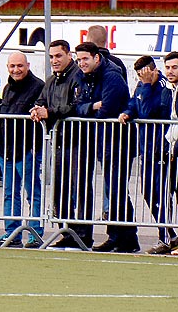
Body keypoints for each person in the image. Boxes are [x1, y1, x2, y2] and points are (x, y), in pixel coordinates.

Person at [68, 41, 138, 252]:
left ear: (96, 57)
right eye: (79, 60)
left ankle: (120, 236)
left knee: (116, 190)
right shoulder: (82, 76)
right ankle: (124, 238)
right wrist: (91, 106)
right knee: (113, 189)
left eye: (85, 59)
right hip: (102, 140)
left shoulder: (112, 76)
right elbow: (77, 106)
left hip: (118, 141)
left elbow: (106, 110)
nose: (81, 64)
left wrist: (91, 108)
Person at [0, 51, 45, 247]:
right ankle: (11, 234)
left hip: (27, 150)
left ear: (27, 65)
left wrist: (35, 149)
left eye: (19, 66)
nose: (16, 70)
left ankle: (35, 234)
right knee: (10, 194)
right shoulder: (7, 88)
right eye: (12, 66)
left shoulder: (38, 87)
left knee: (33, 193)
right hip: (6, 150)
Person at [30, 40, 79, 247]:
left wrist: (49, 113)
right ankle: (66, 232)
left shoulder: (78, 78)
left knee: (76, 189)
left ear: (69, 55)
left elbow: (76, 106)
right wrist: (36, 110)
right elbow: (41, 101)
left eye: (58, 56)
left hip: (77, 141)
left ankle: (80, 233)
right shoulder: (51, 80)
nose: (54, 60)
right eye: (51, 57)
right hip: (58, 142)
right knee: (59, 189)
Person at [145, 53, 178, 255]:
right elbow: (148, 112)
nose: (170, 71)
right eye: (168, 67)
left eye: (175, 67)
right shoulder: (168, 91)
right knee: (164, 192)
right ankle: (168, 238)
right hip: (169, 149)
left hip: (176, 149)